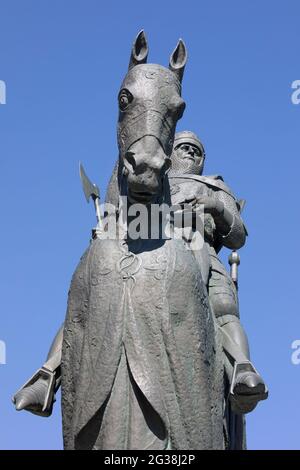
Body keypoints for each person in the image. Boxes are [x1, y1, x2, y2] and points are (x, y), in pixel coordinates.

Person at [169, 131, 267, 415]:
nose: (190, 153)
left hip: (204, 250)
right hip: (151, 248)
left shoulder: (215, 186)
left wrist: (216, 207)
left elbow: (237, 237)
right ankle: (49, 371)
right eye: (183, 147)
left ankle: (242, 370)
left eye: (196, 151)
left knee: (224, 309)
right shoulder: (152, 181)